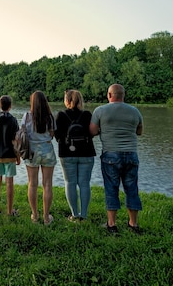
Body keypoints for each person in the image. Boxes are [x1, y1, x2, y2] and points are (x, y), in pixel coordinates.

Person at [90, 83, 144, 234]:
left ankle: (112, 224)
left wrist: (104, 129)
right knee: (132, 189)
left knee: (111, 189)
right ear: (123, 96)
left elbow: (92, 131)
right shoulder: (134, 111)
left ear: (109, 95)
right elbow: (139, 131)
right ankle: (133, 224)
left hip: (110, 155)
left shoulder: (100, 110)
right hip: (131, 154)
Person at [54, 89, 96, 222]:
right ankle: (83, 215)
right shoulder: (87, 115)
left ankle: (74, 215)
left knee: (70, 183)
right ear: (80, 100)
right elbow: (93, 133)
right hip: (86, 153)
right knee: (84, 184)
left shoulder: (60, 115)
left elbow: (57, 136)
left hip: (67, 154)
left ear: (66, 101)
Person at [23, 90, 57, 225]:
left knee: (32, 183)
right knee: (47, 184)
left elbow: (23, 133)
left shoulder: (26, 116)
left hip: (32, 152)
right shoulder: (50, 117)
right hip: (47, 150)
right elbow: (52, 134)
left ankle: (35, 215)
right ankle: (46, 217)